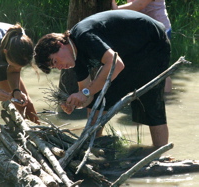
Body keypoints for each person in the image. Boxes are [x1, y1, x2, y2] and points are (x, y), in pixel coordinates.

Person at [33, 10, 171, 147]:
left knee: (150, 100)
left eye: (55, 62)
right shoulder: (75, 58)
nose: (59, 68)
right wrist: (75, 103)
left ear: (59, 44)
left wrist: (85, 93)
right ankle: (92, 146)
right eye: (54, 67)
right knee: (99, 98)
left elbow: (116, 64)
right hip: (127, 52)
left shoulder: (84, 36)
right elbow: (89, 96)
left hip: (152, 40)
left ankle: (161, 155)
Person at [112, 0, 172, 92]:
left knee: (160, 70)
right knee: (141, 68)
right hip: (141, 29)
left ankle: (165, 98)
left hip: (158, 30)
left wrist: (113, 9)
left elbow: (139, 5)